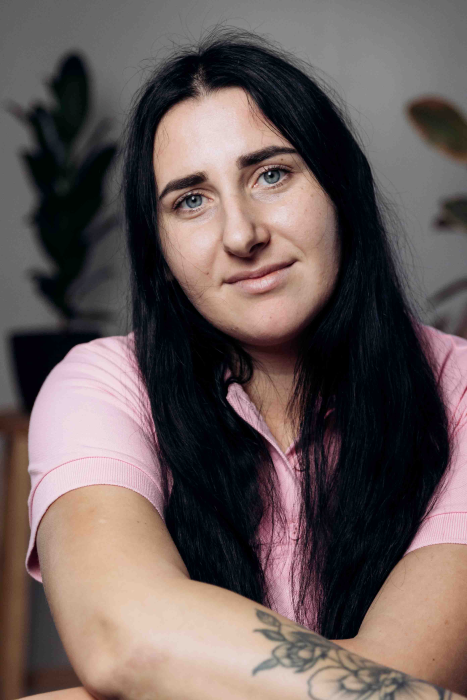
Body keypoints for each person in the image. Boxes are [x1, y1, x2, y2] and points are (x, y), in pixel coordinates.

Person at [22, 26, 467, 700]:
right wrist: (139, 656)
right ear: (160, 253)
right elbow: (123, 636)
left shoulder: (456, 391)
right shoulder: (103, 386)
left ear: (340, 189)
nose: (241, 234)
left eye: (271, 174)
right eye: (190, 200)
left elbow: (405, 669)